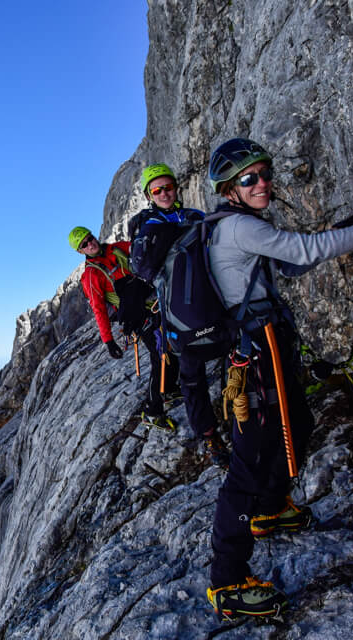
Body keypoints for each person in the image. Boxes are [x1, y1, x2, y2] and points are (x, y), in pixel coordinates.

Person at [203, 137, 353, 619]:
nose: (263, 183)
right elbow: (305, 247)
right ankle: (227, 580)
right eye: (249, 178)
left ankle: (271, 508)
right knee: (248, 464)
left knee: (297, 422)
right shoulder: (239, 228)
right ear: (230, 189)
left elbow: (294, 262)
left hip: (266, 349)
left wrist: (350, 227)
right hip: (257, 359)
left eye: (264, 173)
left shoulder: (235, 227)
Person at [129, 164, 227, 464]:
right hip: (177, 310)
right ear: (149, 195)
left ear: (176, 187)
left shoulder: (195, 217)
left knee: (230, 362)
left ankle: (237, 417)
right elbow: (142, 269)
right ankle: (209, 436)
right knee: (192, 376)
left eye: (167, 187)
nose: (164, 193)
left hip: (214, 300)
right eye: (156, 190)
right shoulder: (149, 226)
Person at [69, 225, 180, 428]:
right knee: (159, 355)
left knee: (171, 345)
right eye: (84, 244)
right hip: (136, 317)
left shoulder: (115, 249)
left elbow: (139, 250)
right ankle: (153, 411)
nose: (90, 244)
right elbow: (99, 309)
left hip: (150, 302)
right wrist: (108, 341)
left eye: (90, 238)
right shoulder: (91, 275)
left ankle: (170, 388)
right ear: (80, 251)